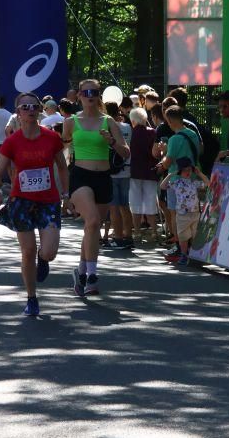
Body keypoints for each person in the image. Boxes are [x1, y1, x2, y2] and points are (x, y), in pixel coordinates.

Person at [0, 92, 69, 316]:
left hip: (48, 201)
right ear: (18, 113)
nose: (30, 110)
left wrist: (66, 194)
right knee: (27, 251)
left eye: (34, 106)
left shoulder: (51, 138)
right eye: (25, 107)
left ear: (40, 110)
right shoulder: (12, 141)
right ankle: (31, 298)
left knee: (50, 251)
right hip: (21, 201)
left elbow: (62, 167)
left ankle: (43, 259)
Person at [63, 79, 130, 296]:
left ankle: (81, 271)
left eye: (94, 92)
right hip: (80, 176)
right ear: (79, 96)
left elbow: (125, 153)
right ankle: (92, 275)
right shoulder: (71, 122)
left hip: (103, 177)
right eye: (86, 92)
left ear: (98, 95)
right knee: (92, 221)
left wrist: (112, 142)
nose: (90, 96)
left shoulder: (108, 121)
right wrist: (63, 190)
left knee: (92, 228)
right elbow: (61, 149)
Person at [159, 106, 201, 263]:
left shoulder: (174, 139)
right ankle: (191, 248)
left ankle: (179, 247)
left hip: (176, 180)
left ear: (170, 120)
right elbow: (200, 151)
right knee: (192, 215)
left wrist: (163, 152)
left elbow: (168, 162)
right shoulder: (193, 134)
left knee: (176, 215)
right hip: (193, 178)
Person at [162, 156, 209, 265]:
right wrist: (170, 175)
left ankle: (194, 254)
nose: (187, 172)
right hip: (182, 214)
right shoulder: (176, 183)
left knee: (194, 235)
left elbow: (208, 183)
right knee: (183, 236)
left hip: (195, 213)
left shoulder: (194, 182)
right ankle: (183, 254)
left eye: (189, 170)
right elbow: (163, 186)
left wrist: (200, 173)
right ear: (180, 171)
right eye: (184, 170)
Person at [127, 106, 158, 243]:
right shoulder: (153, 132)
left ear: (133, 120)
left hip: (134, 172)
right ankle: (154, 231)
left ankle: (137, 232)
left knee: (135, 203)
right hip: (150, 172)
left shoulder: (131, 133)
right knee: (150, 201)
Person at [106, 102, 134, 249]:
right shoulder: (127, 127)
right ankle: (128, 235)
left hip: (111, 171)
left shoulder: (107, 127)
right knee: (125, 206)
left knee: (114, 207)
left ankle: (117, 237)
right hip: (126, 169)